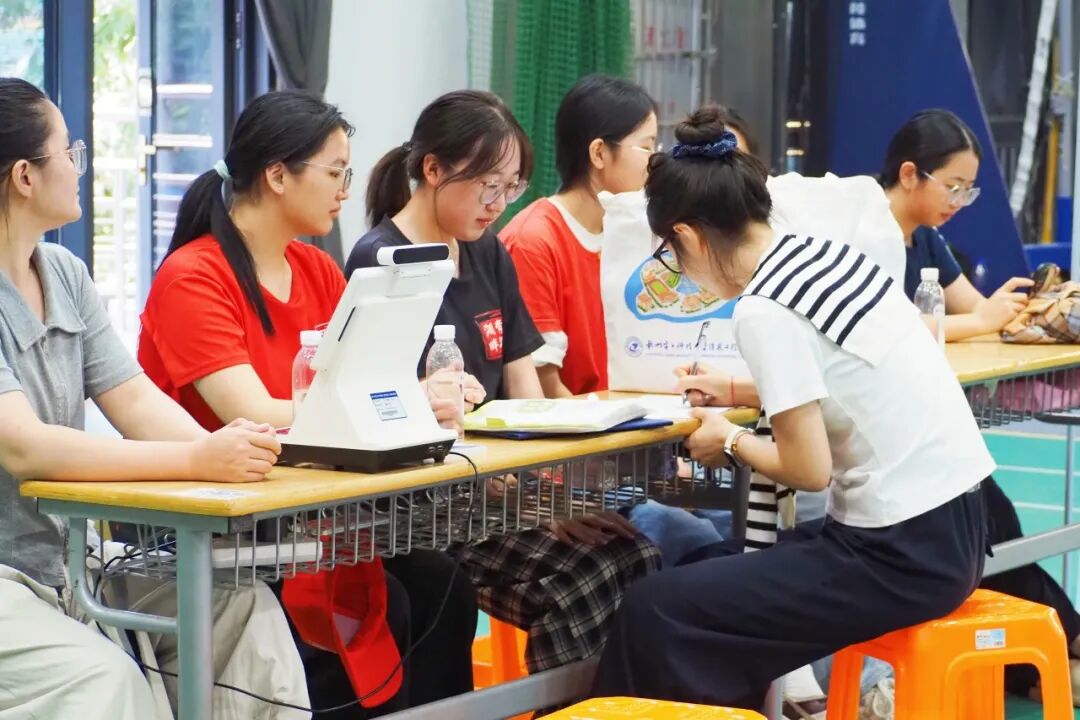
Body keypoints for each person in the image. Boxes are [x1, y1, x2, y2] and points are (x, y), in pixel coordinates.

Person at [590, 106, 992, 709]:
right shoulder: (827, 256)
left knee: (657, 608)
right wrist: (739, 391)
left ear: (688, 237)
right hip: (955, 530)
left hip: (898, 554)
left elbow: (809, 469)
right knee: (710, 562)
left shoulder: (764, 309)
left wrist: (729, 438)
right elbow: (841, 380)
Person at [138, 89, 477, 718]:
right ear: (277, 175)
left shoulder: (317, 270)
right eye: (335, 172)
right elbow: (251, 410)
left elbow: (357, 386)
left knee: (441, 585)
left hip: (308, 513)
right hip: (223, 527)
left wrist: (422, 400)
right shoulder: (194, 275)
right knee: (391, 605)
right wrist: (403, 401)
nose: (346, 189)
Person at [346, 89, 660, 674]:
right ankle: (565, 708)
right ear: (433, 170)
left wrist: (552, 498)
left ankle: (612, 706)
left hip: (499, 491)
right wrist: (528, 503)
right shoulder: (382, 260)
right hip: (428, 508)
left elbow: (525, 394)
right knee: (584, 576)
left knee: (637, 555)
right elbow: (379, 411)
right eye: (488, 185)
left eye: (510, 188)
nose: (497, 204)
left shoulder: (487, 251)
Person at [0, 77, 280, 719]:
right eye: (69, 151)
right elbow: (24, 447)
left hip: (70, 561)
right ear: (24, 176)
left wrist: (236, 454)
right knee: (107, 682)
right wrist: (198, 461)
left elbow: (135, 402)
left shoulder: (65, 274)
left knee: (241, 606)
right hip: (9, 574)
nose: (79, 166)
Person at [501, 74, 658, 397]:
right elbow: (544, 386)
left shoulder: (630, 231)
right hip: (577, 423)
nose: (654, 161)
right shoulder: (533, 241)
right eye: (645, 147)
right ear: (599, 153)